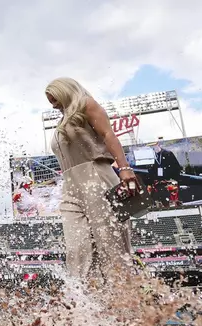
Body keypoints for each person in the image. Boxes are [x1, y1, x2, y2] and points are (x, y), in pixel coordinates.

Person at [45, 77, 136, 283]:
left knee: (110, 244)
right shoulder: (63, 121)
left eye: (55, 100)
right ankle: (88, 302)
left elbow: (108, 134)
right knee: (76, 248)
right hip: (70, 186)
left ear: (65, 91)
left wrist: (124, 168)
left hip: (96, 176)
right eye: (51, 102)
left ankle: (126, 299)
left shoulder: (87, 104)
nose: (53, 105)